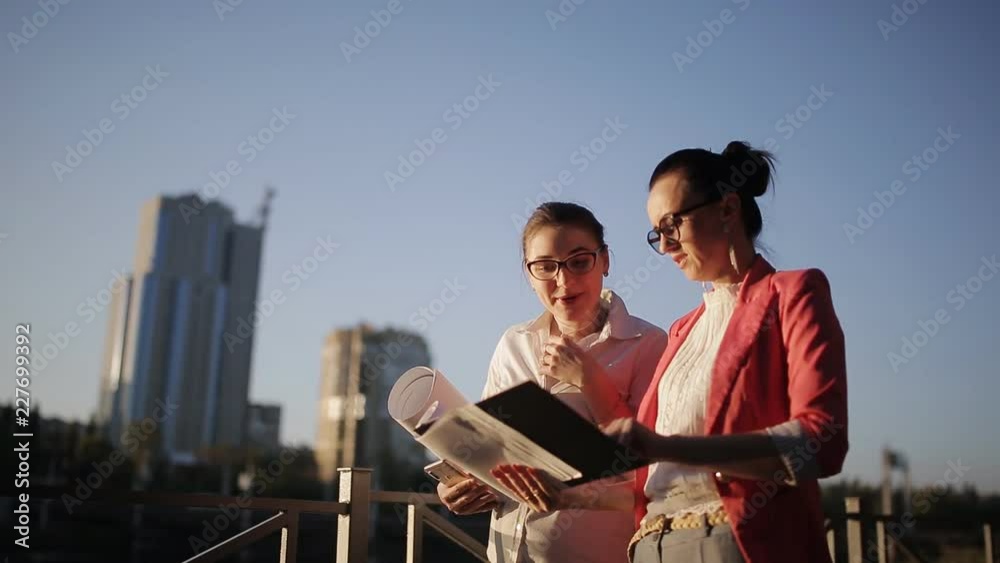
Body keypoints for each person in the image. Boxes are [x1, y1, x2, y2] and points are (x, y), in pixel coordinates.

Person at [495, 142, 848, 563]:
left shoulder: (793, 293)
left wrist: (665, 445)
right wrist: (567, 496)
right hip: (650, 545)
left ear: (728, 209)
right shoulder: (684, 330)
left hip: (735, 540)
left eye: (672, 225)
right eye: (656, 233)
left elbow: (821, 440)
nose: (664, 246)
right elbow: (646, 475)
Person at [436, 201, 668, 563]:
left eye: (579, 261)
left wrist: (590, 380)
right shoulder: (514, 342)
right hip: (506, 550)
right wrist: (460, 485)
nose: (563, 280)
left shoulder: (649, 344)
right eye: (545, 267)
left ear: (604, 260)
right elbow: (489, 449)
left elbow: (649, 466)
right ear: (529, 274)